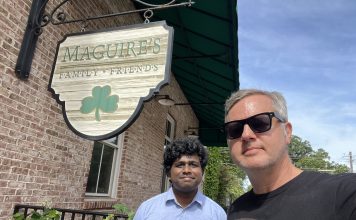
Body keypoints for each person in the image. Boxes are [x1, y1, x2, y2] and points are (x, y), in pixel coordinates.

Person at [224, 89, 356, 220]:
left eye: (260, 122)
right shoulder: (236, 210)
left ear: (287, 132)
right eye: (234, 129)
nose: (246, 135)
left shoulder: (344, 194)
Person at [133, 137, 227, 220]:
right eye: (180, 165)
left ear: (202, 171)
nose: (186, 170)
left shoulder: (217, 214)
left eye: (193, 165)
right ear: (168, 172)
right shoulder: (146, 210)